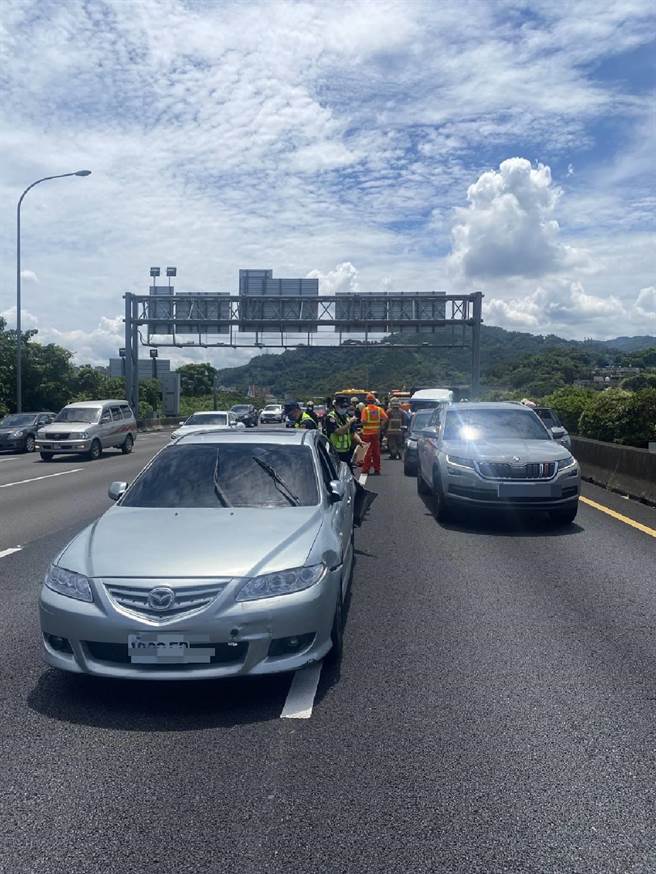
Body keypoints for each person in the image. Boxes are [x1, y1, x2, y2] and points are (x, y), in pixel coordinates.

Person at [360, 393, 388, 475]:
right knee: (376, 452)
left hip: (367, 434)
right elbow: (385, 418)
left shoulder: (365, 410)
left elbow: (363, 421)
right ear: (374, 401)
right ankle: (377, 469)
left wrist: (364, 424)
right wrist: (379, 426)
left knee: (367, 453)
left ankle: (366, 469)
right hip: (376, 433)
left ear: (367, 401)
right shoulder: (378, 409)